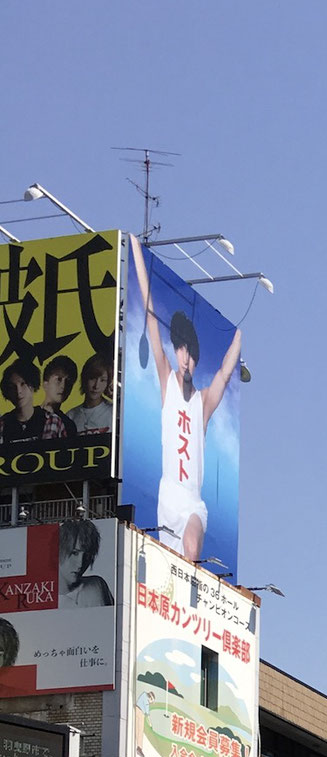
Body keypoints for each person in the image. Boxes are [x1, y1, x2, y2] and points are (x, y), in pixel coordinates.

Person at [127, 235, 242, 564]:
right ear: (176, 350)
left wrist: (240, 334)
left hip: (192, 502)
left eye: (190, 352)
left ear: (195, 355)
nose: (185, 358)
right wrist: (136, 249)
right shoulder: (167, 381)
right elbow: (150, 316)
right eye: (181, 349)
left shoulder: (203, 402)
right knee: (170, 565)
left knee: (191, 551)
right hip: (168, 498)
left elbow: (224, 372)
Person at [58, 521, 114, 608]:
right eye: (74, 553)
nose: (80, 564)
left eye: (87, 555)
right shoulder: (39, 595)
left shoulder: (96, 585)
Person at [67, 355, 113, 437]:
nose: (96, 386)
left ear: (108, 383)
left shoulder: (113, 412)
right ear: (85, 378)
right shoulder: (71, 416)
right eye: (92, 378)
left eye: (102, 380)